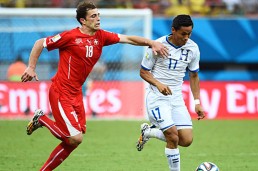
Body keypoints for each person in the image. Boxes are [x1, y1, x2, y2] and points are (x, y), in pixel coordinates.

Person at [21, 1, 168, 170]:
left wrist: (151, 43)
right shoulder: (70, 37)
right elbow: (40, 43)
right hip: (61, 91)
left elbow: (127, 38)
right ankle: (42, 119)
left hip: (76, 93)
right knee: (75, 138)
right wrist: (31, 67)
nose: (98, 19)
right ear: (83, 20)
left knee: (72, 142)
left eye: (98, 15)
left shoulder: (101, 36)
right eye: (93, 16)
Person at [135, 14, 205, 171]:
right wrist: (158, 84)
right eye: (183, 34)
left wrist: (197, 102)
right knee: (173, 136)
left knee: (186, 140)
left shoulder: (193, 48)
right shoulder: (157, 46)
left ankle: (149, 132)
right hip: (156, 97)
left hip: (176, 98)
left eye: (189, 34)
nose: (186, 37)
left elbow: (193, 75)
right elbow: (143, 72)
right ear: (173, 30)